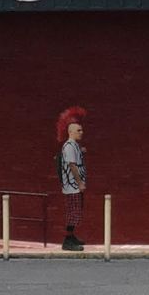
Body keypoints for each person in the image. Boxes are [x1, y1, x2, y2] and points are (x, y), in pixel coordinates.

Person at [56, 106, 88, 251]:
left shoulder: (74, 146)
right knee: (73, 213)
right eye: (78, 131)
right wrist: (80, 183)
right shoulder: (69, 146)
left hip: (74, 186)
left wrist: (81, 151)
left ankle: (71, 236)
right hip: (72, 186)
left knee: (76, 212)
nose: (81, 133)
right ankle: (67, 240)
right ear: (71, 132)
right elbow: (72, 165)